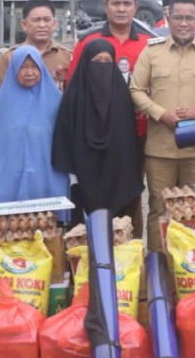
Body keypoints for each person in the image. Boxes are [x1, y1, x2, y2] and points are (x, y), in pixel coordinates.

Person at [129, 0, 195, 251]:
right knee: (158, 209)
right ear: (168, 19)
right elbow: (135, 89)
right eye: (177, 17)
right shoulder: (152, 52)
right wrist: (160, 113)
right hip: (160, 148)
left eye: (189, 18)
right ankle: (159, 271)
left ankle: (191, 266)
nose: (183, 23)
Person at [70, 0, 155, 238]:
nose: (121, 9)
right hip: (97, 134)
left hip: (138, 131)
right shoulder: (89, 42)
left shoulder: (149, 44)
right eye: (115, 3)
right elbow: (75, 89)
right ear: (105, 7)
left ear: (135, 6)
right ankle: (96, 247)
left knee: (131, 190)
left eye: (127, 3)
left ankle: (130, 248)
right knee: (98, 191)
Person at [53, 38, 142, 226]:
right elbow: (65, 135)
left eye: (107, 62)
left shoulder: (121, 95)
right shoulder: (74, 96)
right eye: (97, 61)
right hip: (82, 171)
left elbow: (127, 138)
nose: (102, 66)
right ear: (86, 62)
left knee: (118, 226)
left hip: (115, 170)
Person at [0, 46, 69, 210]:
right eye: (23, 67)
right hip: (9, 175)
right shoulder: (2, 103)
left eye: (34, 66)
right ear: (13, 70)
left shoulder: (57, 101)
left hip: (46, 173)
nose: (29, 72)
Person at [0, 0, 72, 97]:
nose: (42, 25)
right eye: (36, 20)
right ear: (24, 25)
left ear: (54, 24)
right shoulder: (8, 58)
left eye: (47, 20)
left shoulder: (67, 57)